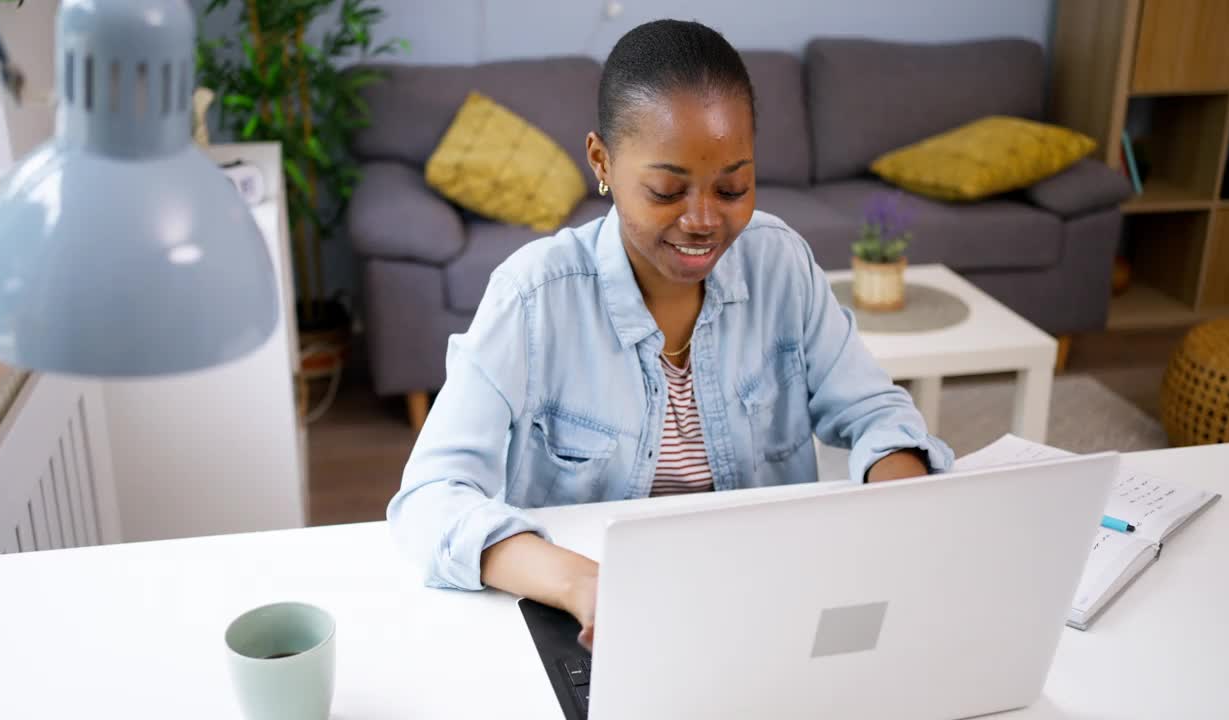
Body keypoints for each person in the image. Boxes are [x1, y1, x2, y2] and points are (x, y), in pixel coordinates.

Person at [388, 19, 954, 650]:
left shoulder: (779, 263)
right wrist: (580, 583)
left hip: (770, 603)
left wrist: (909, 522)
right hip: (595, 622)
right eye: (666, 189)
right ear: (601, 160)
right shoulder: (532, 298)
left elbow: (875, 409)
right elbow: (431, 497)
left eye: (733, 186)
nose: (704, 220)